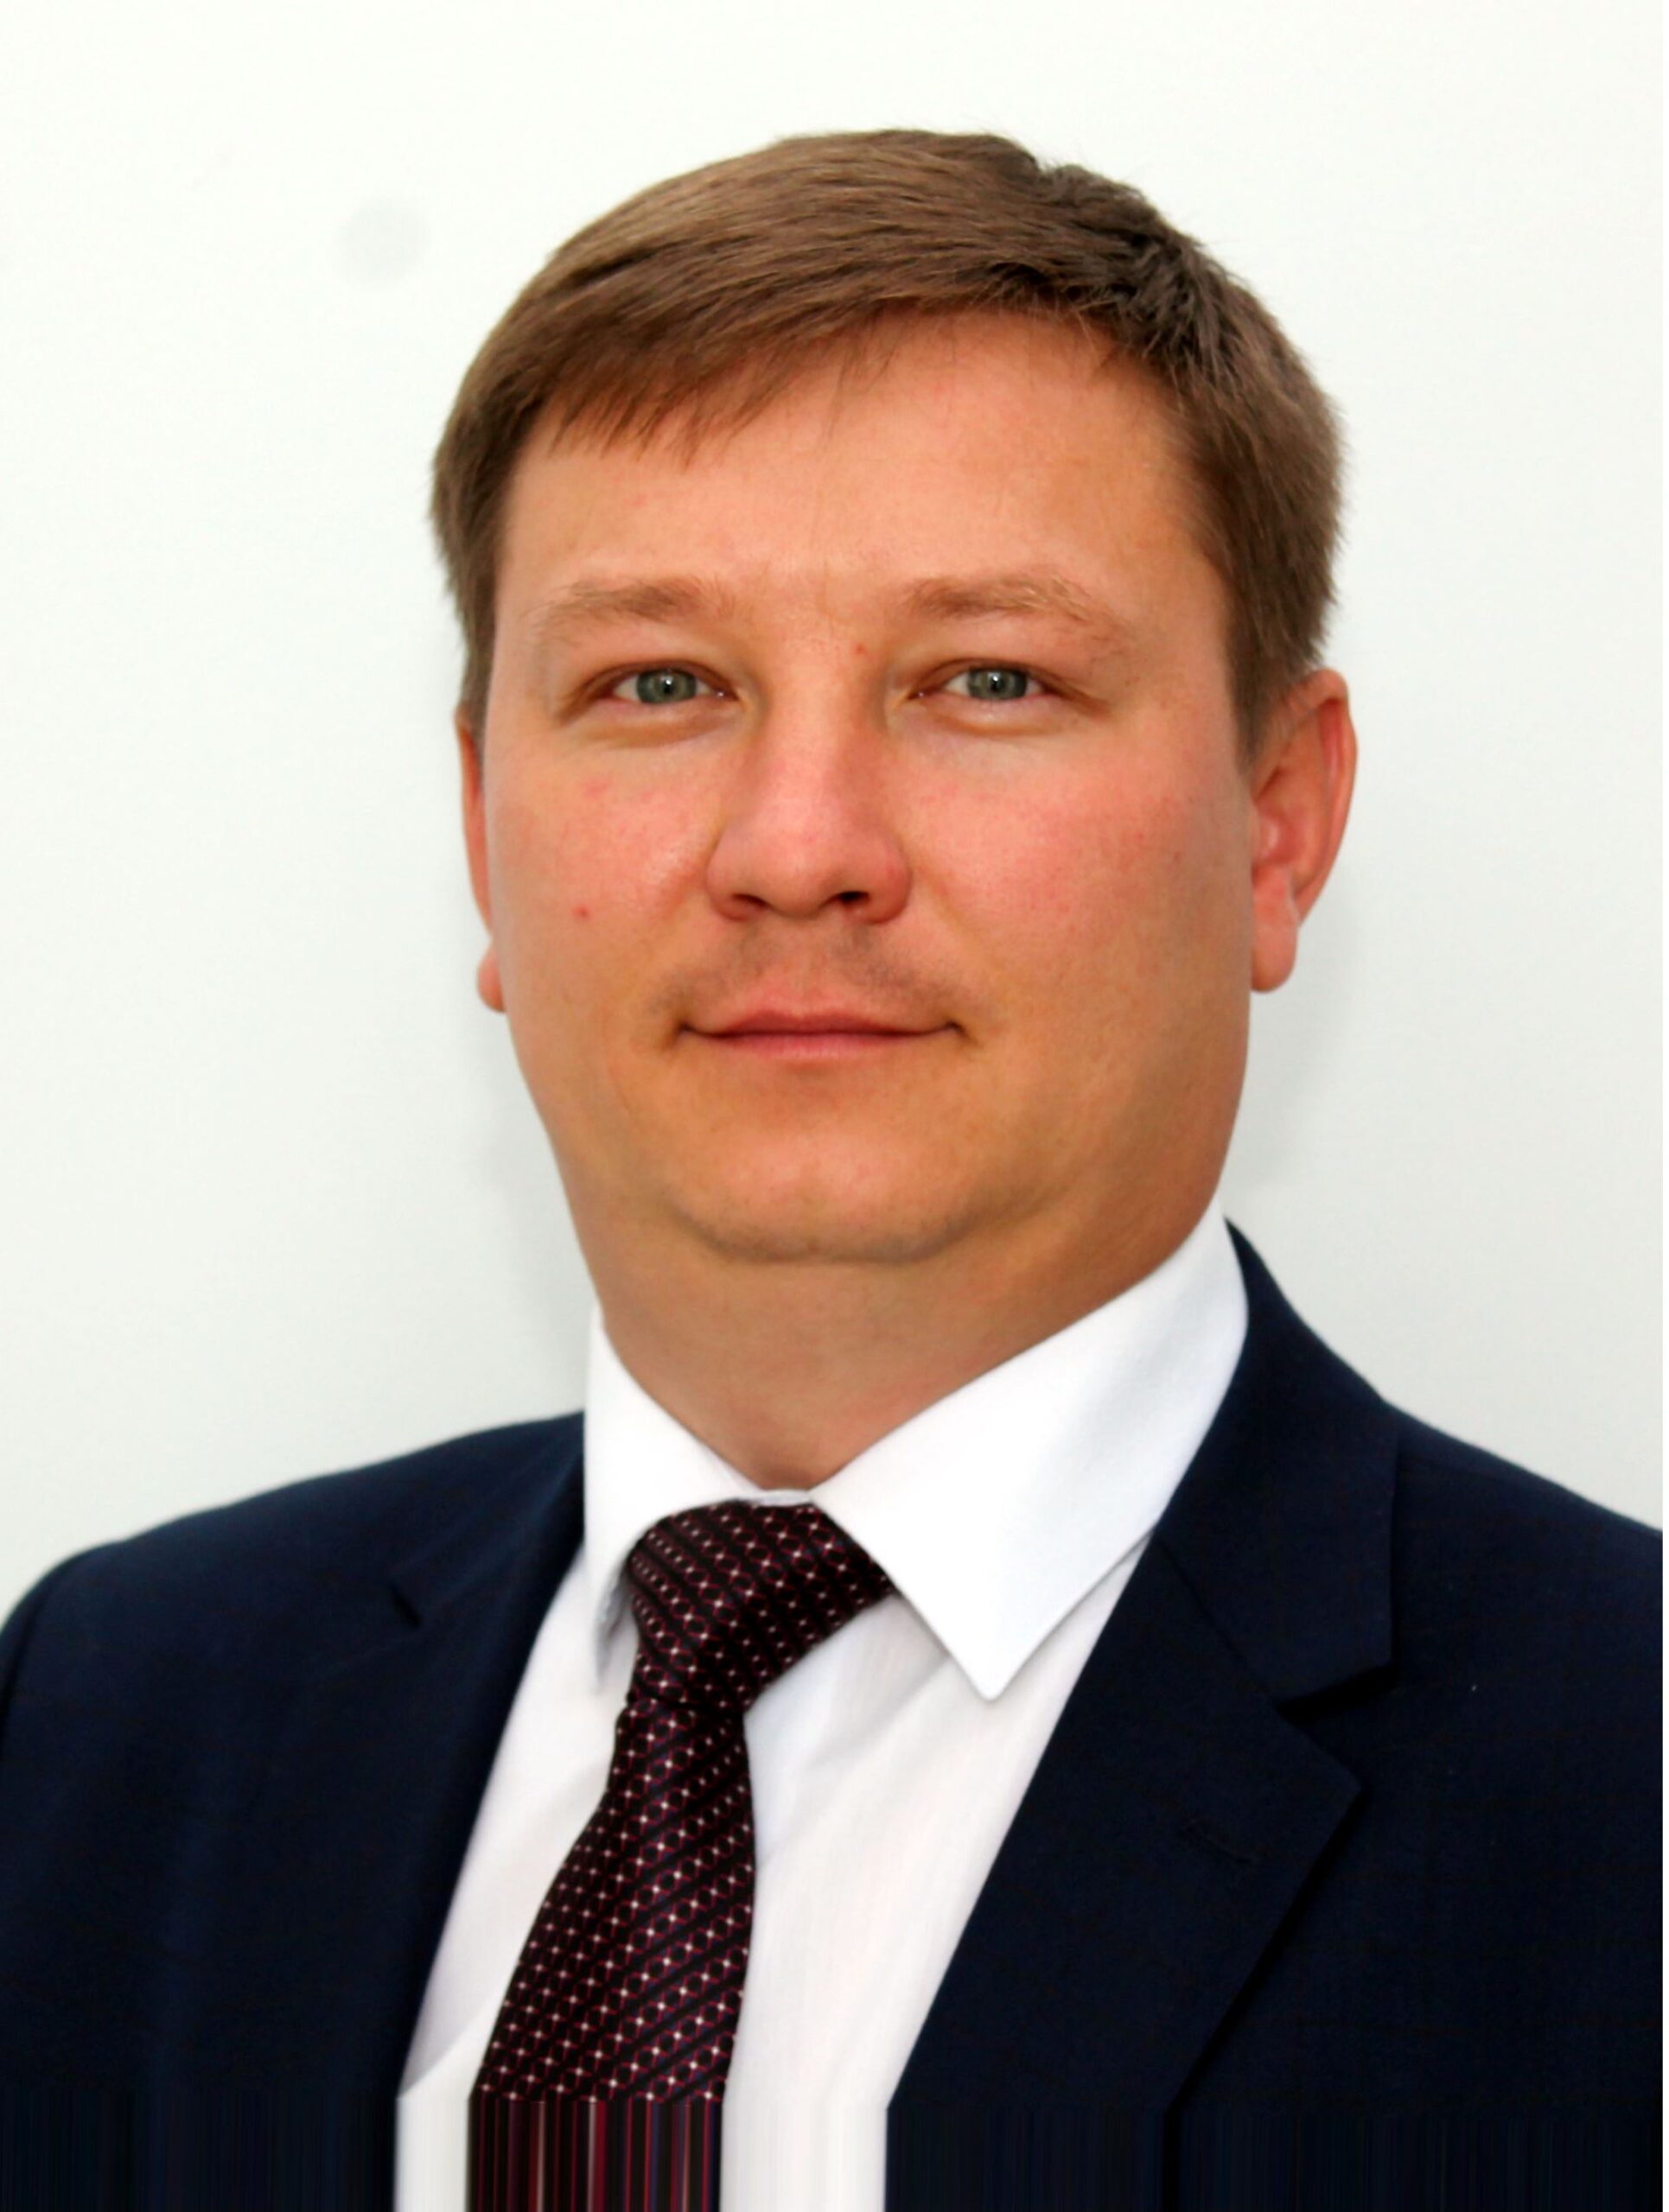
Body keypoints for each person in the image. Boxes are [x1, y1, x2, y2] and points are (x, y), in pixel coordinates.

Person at [0, 128, 1657, 2212]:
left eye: (990, 678)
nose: (798, 845)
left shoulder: (1627, 1781)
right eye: (658, 683)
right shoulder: (108, 1713)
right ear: (483, 824)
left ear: (1277, 821)